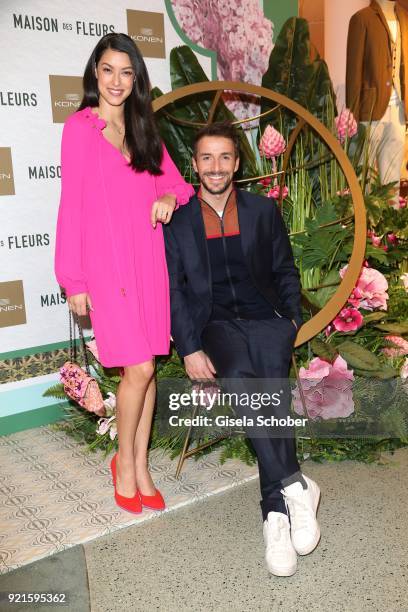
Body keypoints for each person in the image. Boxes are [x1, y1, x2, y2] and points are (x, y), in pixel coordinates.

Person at [164, 122, 321, 577]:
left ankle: (275, 512)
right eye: (207, 158)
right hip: (216, 325)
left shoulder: (261, 211)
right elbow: (174, 290)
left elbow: (284, 268)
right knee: (238, 380)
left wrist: (290, 319)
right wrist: (189, 348)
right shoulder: (178, 221)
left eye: (225, 158)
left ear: (238, 162)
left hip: (268, 319)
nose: (216, 167)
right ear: (194, 165)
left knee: (269, 394)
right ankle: (295, 488)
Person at [54, 33, 194, 514]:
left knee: (149, 369)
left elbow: (178, 184)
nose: (116, 81)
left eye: (126, 72)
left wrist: (168, 198)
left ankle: (140, 462)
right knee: (139, 368)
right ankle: (124, 462)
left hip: (146, 262)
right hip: (104, 266)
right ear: (96, 74)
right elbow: (71, 204)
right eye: (108, 70)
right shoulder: (80, 128)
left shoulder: (142, 127)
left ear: (136, 79)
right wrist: (73, 280)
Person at [346, 0, 408, 205]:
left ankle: (390, 232)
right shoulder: (361, 18)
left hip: (399, 108)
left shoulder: (405, 17)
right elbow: (354, 72)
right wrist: (352, 115)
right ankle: (364, 230)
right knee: (364, 180)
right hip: (369, 109)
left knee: (392, 182)